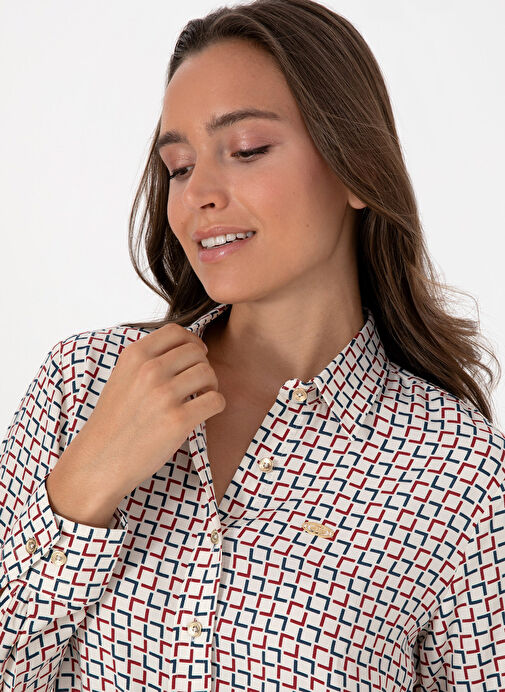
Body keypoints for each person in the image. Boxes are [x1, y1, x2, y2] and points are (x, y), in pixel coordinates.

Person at [1, 0, 503, 689]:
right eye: (179, 167)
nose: (197, 195)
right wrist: (83, 489)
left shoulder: (459, 474)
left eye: (246, 151)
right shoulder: (80, 386)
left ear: (355, 168)